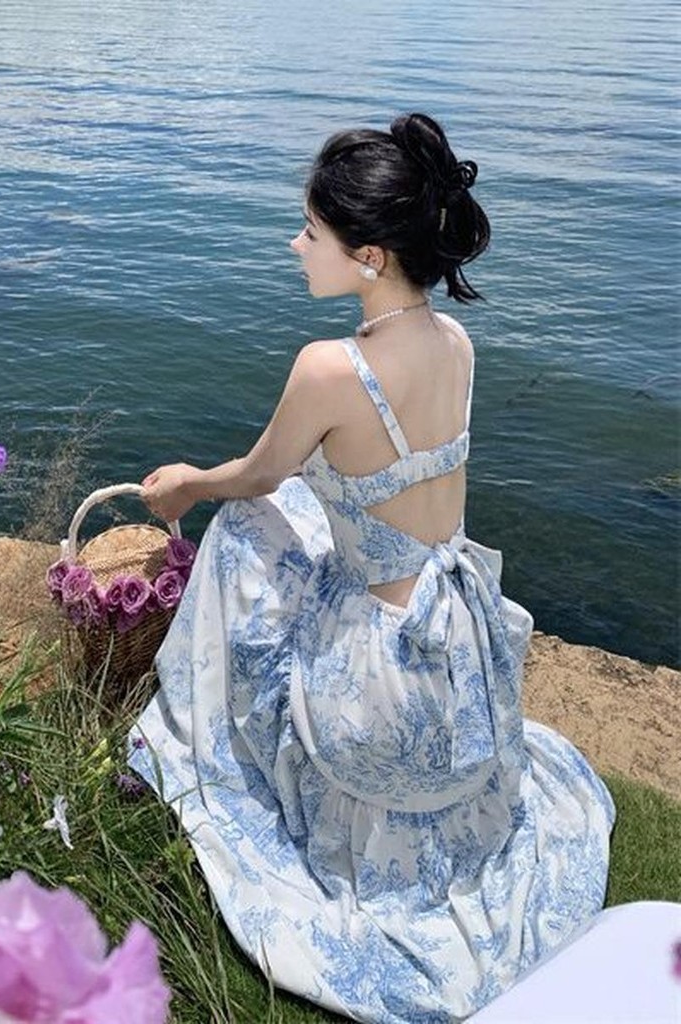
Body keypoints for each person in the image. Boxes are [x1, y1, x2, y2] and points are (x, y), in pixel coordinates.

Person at [131, 112, 615, 1023]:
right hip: (455, 632)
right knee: (304, 510)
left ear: (369, 257)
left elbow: (260, 474)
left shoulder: (330, 369)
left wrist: (190, 482)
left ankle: (213, 719)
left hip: (380, 675)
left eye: (311, 232)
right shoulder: (457, 343)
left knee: (241, 523)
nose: (295, 245)